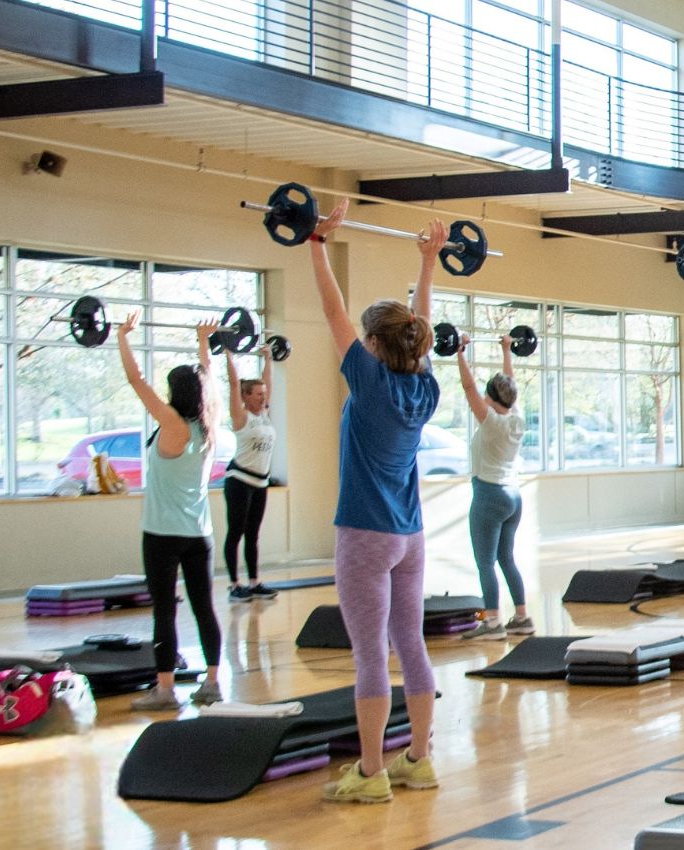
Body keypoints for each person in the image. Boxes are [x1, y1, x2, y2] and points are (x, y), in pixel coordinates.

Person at [312, 201, 442, 803]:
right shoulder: (423, 385)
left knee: (370, 656)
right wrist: (428, 262)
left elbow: (333, 312)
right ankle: (419, 758)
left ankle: (370, 774)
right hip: (410, 536)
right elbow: (419, 328)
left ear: (369, 345)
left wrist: (316, 244)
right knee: (409, 644)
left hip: (365, 535)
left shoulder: (368, 385)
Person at [118, 316, 224, 711]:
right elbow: (210, 380)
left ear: (174, 393)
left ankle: (165, 691)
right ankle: (212, 683)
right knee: (203, 607)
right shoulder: (209, 427)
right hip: (199, 535)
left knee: (164, 610)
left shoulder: (173, 424)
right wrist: (202, 341)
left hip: (162, 534)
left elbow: (135, 380)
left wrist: (122, 338)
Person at [453, 331, 533, 640]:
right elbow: (509, 384)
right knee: (506, 559)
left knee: (485, 562)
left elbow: (468, 386)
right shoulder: (516, 418)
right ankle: (522, 618)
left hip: (488, 496)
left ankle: (492, 623)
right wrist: (506, 350)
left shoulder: (491, 421)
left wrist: (460, 352)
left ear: (489, 398)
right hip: (513, 497)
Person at [222, 348, 278, 602]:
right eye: (258, 394)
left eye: (265, 394)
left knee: (253, 534)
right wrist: (228, 352)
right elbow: (233, 385)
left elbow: (269, 381)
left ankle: (254, 582)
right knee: (236, 532)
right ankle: (234, 585)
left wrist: (268, 358)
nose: (263, 397)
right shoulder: (241, 416)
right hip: (239, 481)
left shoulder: (264, 415)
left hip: (260, 483)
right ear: (245, 397)